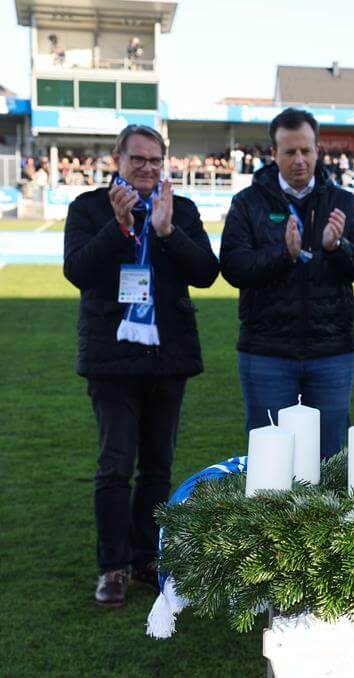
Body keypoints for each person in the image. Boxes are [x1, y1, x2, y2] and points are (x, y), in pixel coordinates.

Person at [63, 124, 219, 607]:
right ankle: (112, 567)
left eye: (155, 160)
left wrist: (168, 232)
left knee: (158, 465)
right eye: (138, 160)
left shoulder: (182, 209)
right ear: (117, 159)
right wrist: (119, 228)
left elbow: (207, 273)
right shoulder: (89, 208)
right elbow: (77, 271)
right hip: (111, 357)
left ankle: (147, 558)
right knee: (115, 463)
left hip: (165, 356)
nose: (147, 168)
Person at [219, 108, 354, 458]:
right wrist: (282, 254)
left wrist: (339, 248)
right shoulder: (247, 203)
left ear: (318, 150)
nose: (299, 160)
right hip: (267, 352)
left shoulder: (343, 202)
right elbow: (231, 266)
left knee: (329, 458)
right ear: (273, 154)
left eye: (306, 150)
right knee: (269, 461)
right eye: (289, 152)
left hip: (331, 352)